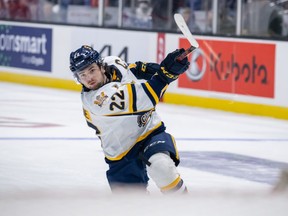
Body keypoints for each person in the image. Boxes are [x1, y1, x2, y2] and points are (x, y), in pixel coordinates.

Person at [69, 45, 190, 194]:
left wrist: (165, 66)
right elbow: (148, 95)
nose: (89, 78)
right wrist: (167, 72)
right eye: (82, 75)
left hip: (148, 131)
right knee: (132, 206)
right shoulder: (97, 101)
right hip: (121, 152)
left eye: (92, 70)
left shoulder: (113, 63)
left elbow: (134, 69)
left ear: (101, 65)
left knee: (162, 168)